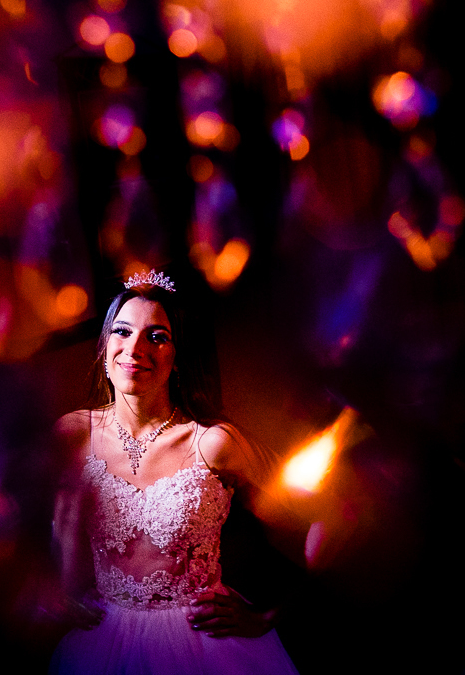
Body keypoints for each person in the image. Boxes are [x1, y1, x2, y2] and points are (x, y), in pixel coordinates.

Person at [49, 270, 300, 674]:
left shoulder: (213, 443)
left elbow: (309, 515)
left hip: (207, 646)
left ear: (178, 356)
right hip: (102, 642)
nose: (135, 348)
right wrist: (56, 592)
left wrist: (269, 615)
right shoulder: (74, 434)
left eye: (157, 336)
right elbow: (44, 523)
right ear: (104, 349)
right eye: (122, 331)